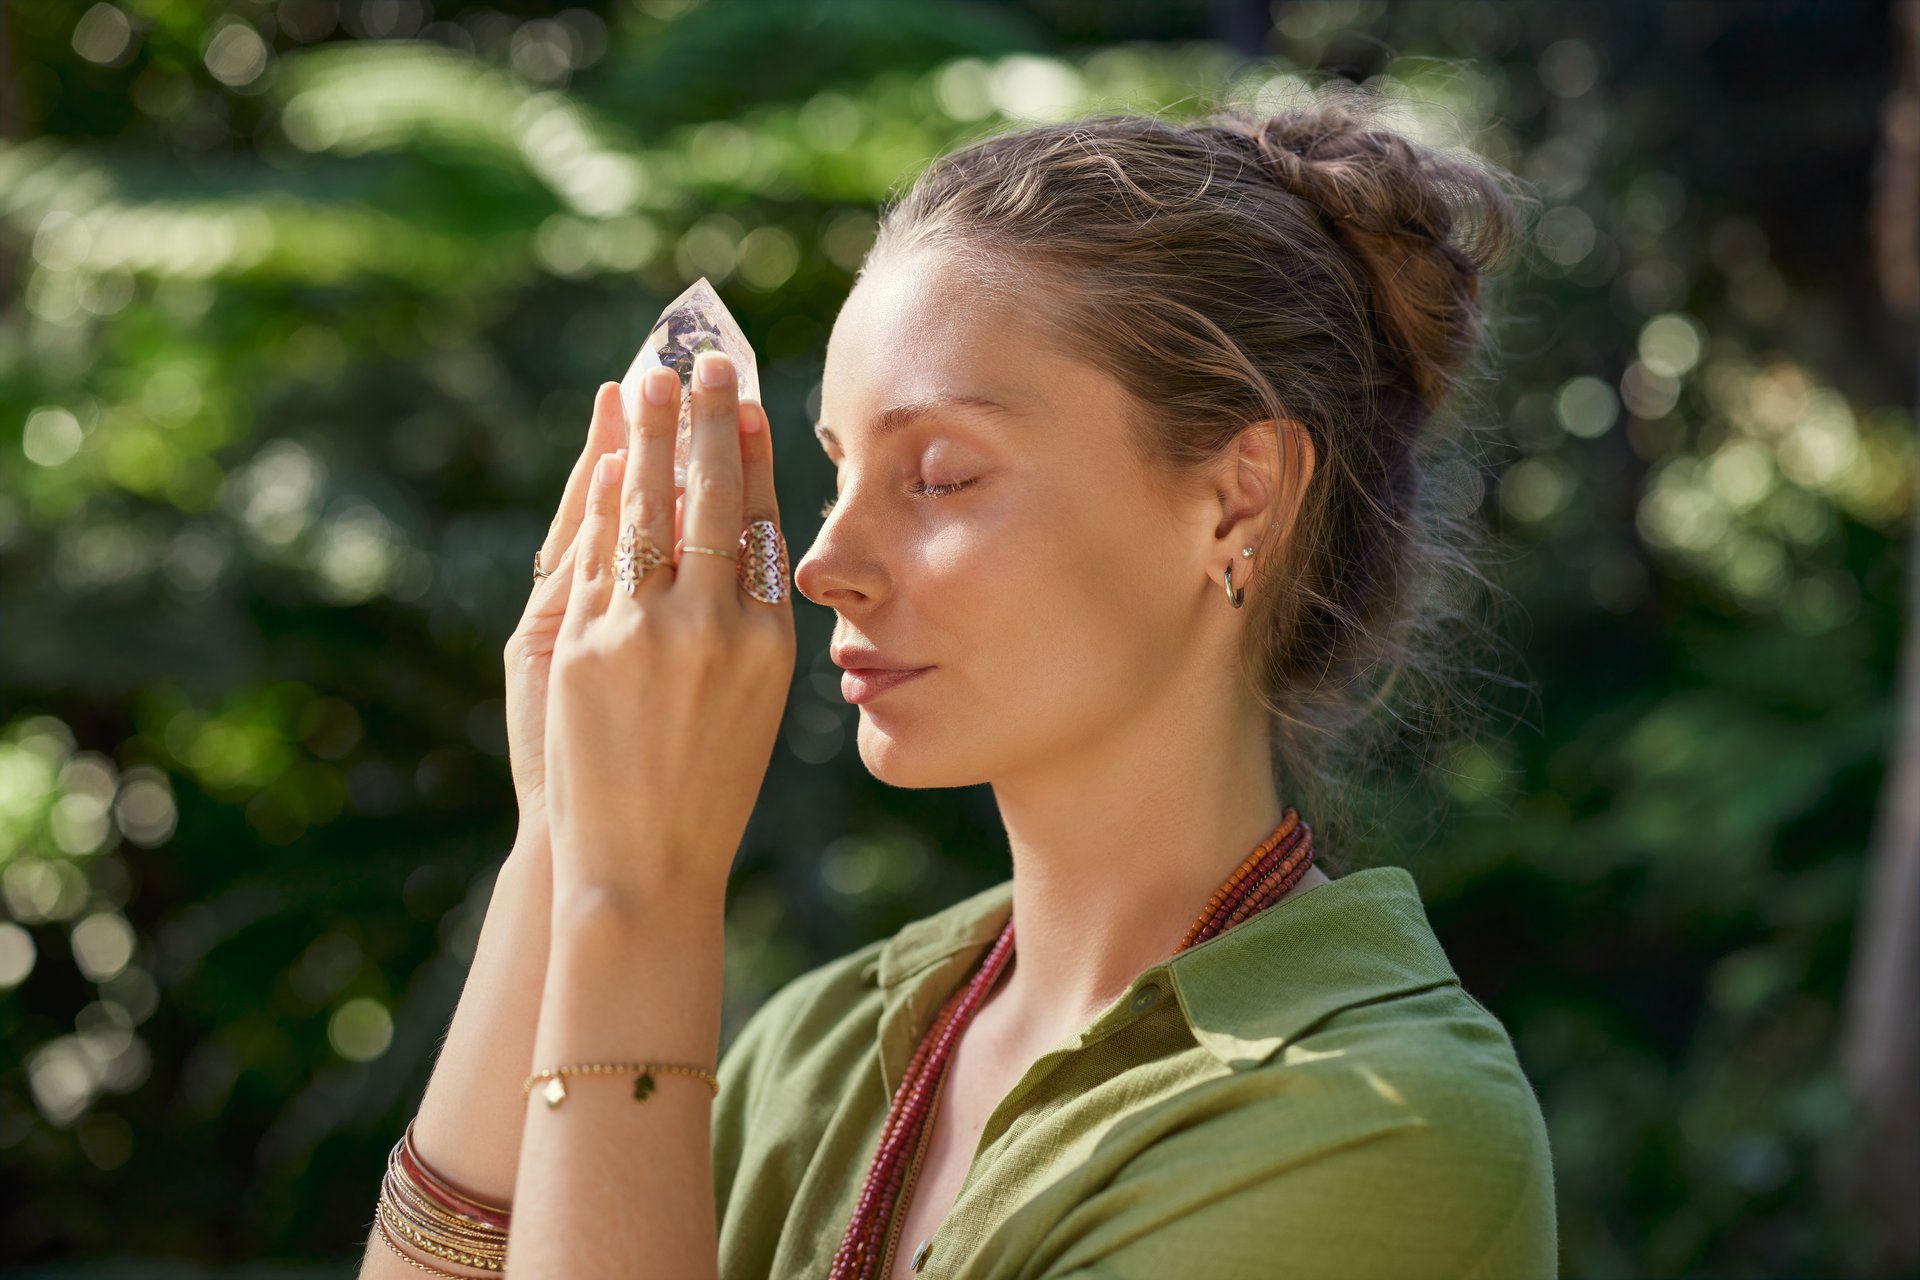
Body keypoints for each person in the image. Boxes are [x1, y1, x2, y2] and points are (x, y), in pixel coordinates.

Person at [362, 85, 1556, 1280]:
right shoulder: (815, 1054)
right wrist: (565, 843)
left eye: (938, 474)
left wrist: (644, 897)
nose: (825, 562)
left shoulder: (1377, 1116)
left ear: (1238, 496)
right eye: (838, 472)